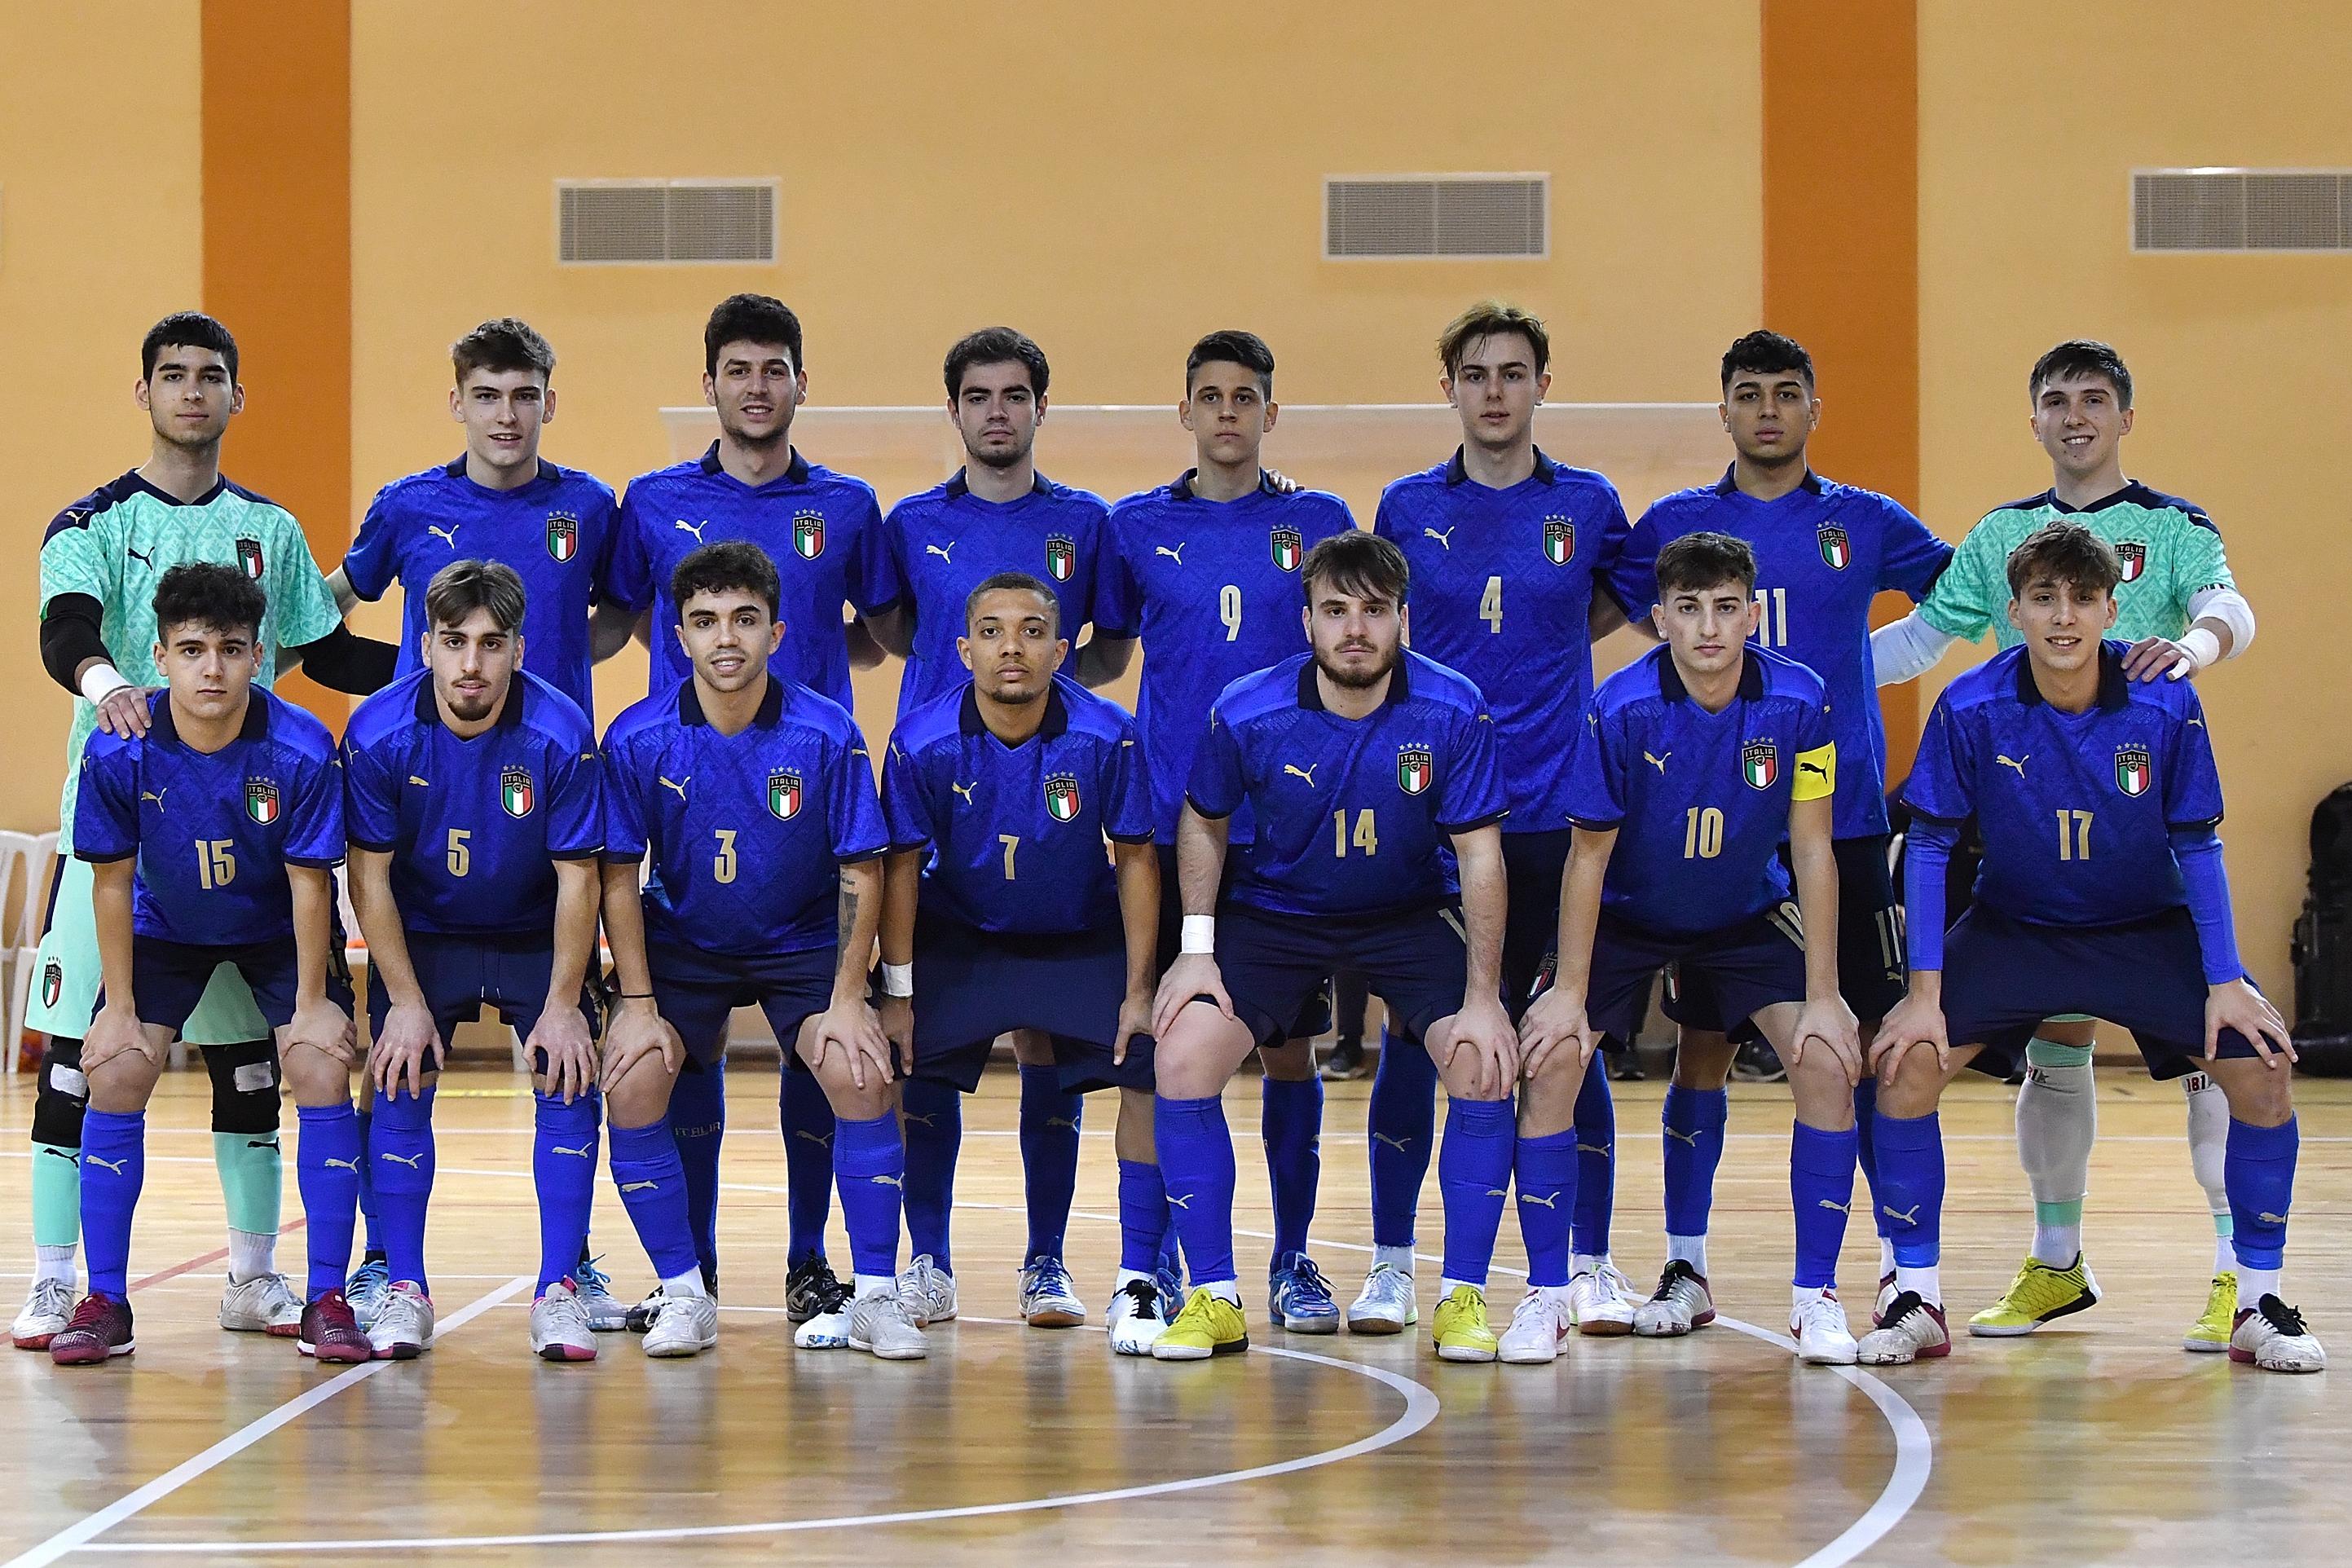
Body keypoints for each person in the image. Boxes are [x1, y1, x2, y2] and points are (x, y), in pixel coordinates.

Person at [1870, 341, 2262, 1349]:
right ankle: (2056, 1265)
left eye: (2095, 399)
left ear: (2126, 416)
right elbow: (1919, 642)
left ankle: (2234, 1274)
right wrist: (1779, 674)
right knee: (2057, 1050)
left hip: (2142, 832)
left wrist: (2200, 644)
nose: (2076, 415)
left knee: (2203, 1062)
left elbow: (2230, 605)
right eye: (2056, 400)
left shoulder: (2173, 529)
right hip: (2028, 843)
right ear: (2033, 419)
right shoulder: (2003, 533)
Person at [20, 312, 393, 1353]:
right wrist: (110, 689)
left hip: (252, 827)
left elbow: (329, 655)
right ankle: (60, 1280)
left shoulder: (270, 531)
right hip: (122, 826)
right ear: (143, 392)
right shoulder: (90, 519)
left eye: (212, 376)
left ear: (239, 397)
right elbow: (66, 630)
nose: (193, 391)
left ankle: (257, 1274)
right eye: (173, 375)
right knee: (80, 1056)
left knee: (252, 1068)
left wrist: (451, 659)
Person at [1609, 331, 1952, 1327]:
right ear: (1722, 410)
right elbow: (1630, 616)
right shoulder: (1678, 523)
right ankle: (1685, 1262)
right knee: (1702, 1046)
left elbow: (1964, 596)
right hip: (1710, 830)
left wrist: (1871, 661)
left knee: (1875, 1045)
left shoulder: (1866, 519)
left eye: (1786, 392)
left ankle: (1900, 1270)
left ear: (1814, 408)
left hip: (1838, 824)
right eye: (1748, 393)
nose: (1768, 409)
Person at [1148, 531, 1520, 1363]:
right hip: (1279, 913)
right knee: (1180, 1058)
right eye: (1337, 611)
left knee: (1481, 1059)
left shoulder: (1455, 708)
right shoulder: (1248, 708)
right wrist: (1198, 949)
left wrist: (1487, 998)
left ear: (1403, 620)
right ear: (1307, 620)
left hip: (1409, 911)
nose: (1357, 629)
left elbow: (1480, 854)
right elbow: (1203, 818)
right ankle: (1214, 1296)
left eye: (1376, 611)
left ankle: (1461, 1296)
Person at [603, 294, 895, 1334]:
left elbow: (892, 628)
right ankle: (696, 1271)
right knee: (684, 1063)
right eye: (738, 369)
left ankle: (815, 1263)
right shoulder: (648, 503)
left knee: (826, 1057)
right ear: (711, 384)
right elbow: (603, 622)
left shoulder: (852, 506)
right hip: (688, 814)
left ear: (800, 384)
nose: (757, 386)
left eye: (775, 368)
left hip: (803, 814)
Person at [332, 317, 627, 1330]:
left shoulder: (589, 505)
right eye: (488, 395)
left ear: (550, 399)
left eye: (525, 395)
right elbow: (330, 600)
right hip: (432, 856)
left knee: (570, 1055)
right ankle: (391, 1269)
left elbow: (623, 614)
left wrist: (541, 696)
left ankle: (568, 1271)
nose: (508, 415)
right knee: (398, 1059)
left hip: (537, 813)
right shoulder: (408, 506)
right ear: (457, 400)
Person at [1515, 533, 1862, 1364]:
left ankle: (1816, 1296)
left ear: (1751, 612)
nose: (1708, 626)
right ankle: (1545, 1293)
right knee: (1556, 1058)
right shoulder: (1621, 705)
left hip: (1746, 913)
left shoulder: (1800, 700)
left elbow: (1812, 847)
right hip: (1633, 914)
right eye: (1689, 608)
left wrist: (1824, 991)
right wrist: (1566, 988)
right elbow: (1588, 854)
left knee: (1823, 1059)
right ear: (1659, 616)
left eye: (1724, 607)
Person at [1079, 329, 1356, 1333]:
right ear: (1184, 411)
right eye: (1211, 396)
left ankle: (1290, 1259)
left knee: (1289, 1052)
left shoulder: (1319, 520)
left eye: (1247, 396)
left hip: (1287, 835)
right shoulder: (1134, 527)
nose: (1229, 412)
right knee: (1155, 1042)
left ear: (1271, 413)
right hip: (1161, 834)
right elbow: (1107, 654)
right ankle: (1141, 1270)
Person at [1370, 301, 1637, 1337]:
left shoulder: (1588, 502)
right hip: (1430, 815)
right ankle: (1394, 1263)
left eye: (1513, 372)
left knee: (1566, 1037)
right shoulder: (1403, 504)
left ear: (1541, 385)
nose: (1494, 389)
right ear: (1447, 388)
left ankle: (1592, 1261)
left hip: (1549, 812)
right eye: (1475, 372)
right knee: (1413, 1033)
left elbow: (1609, 604)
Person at [597, 541, 922, 1359]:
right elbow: (615, 873)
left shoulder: (826, 732)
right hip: (684, 939)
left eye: (744, 619)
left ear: (777, 631)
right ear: (678, 636)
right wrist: (635, 1005)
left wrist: (853, 995)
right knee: (634, 1077)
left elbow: (862, 864)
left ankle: (876, 1294)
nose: (726, 638)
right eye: (705, 622)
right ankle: (682, 1291)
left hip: (801, 938)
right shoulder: (637, 737)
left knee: (859, 1066)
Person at [864, 328, 1113, 1329]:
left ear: (1041, 409)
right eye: (979, 396)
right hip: (944, 816)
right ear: (955, 410)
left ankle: (1044, 1260)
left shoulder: (1088, 523)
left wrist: (1043, 710)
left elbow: (1114, 640)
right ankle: (928, 1258)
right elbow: (891, 631)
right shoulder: (910, 521)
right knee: (925, 1051)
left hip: (1048, 820)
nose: (998, 411)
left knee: (1052, 1051)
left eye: (1016, 395)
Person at [48, 565, 359, 1364]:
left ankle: (328, 1297)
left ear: (259, 655)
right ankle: (105, 1300)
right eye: (192, 650)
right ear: (159, 656)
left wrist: (315, 1002)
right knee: (114, 1069)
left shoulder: (300, 745)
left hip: (274, 932)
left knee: (322, 1065)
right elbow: (112, 885)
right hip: (167, 926)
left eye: (230, 648)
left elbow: (309, 884)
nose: (211, 667)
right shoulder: (119, 751)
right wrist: (118, 1006)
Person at [880, 574, 1169, 1348]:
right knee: (914, 1068)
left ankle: (1118, 1271)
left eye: (1033, 630)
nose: (1014, 647)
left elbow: (1138, 859)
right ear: (963, 647)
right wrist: (899, 991)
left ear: (1063, 645)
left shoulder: (1110, 734)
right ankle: (929, 1262)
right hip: (963, 934)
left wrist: (1141, 990)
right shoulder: (920, 740)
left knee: (1143, 1066)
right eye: (994, 630)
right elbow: (900, 868)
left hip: (1078, 933)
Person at [341, 561, 606, 1360]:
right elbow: (369, 876)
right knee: (396, 1070)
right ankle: (402, 1283)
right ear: (425, 645)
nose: (471, 664)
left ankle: (560, 1285)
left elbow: (579, 878)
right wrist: (403, 998)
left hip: (533, 933)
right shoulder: (379, 732)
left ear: (519, 650)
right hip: (426, 939)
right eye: (454, 642)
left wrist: (564, 1005)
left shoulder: (561, 734)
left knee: (569, 1070)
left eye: (491, 644)